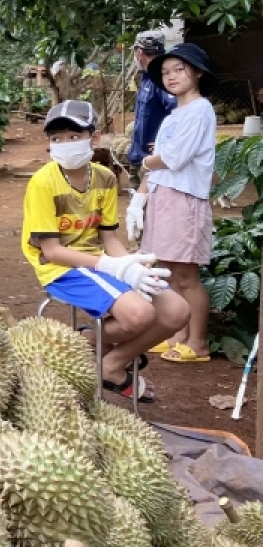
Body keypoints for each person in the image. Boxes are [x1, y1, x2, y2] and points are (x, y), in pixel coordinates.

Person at [21, 99, 189, 402]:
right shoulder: (43, 183)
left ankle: (109, 362)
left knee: (177, 311)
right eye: (56, 138)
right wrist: (115, 267)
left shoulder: (105, 177)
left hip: (97, 260)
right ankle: (85, 344)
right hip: (61, 267)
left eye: (74, 136)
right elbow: (53, 251)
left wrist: (131, 264)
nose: (65, 144)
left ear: (94, 138)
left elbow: (108, 237)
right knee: (139, 316)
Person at [128, 43, 217, 363]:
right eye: (165, 72)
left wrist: (150, 160)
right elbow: (162, 160)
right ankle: (178, 334)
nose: (171, 76)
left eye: (179, 69)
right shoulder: (174, 114)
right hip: (165, 197)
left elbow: (174, 158)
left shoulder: (200, 109)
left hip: (185, 200)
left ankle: (197, 343)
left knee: (185, 276)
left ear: (197, 73)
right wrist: (141, 194)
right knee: (167, 268)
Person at [127, 30, 176, 188]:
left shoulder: (161, 79)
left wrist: (167, 142)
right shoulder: (146, 78)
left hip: (153, 162)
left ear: (139, 52)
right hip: (141, 158)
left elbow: (178, 111)